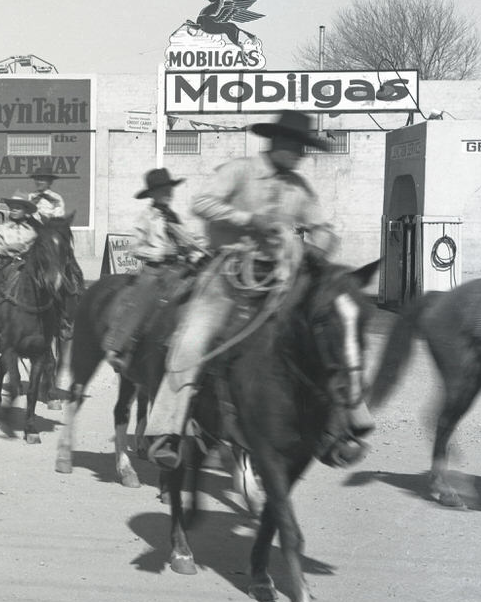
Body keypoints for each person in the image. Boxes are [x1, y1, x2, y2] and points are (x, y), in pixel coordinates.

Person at [143, 111, 337, 469]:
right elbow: (200, 203)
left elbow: (323, 227)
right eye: (295, 147)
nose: (300, 155)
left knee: (328, 333)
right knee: (190, 341)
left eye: (303, 149)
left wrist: (319, 246)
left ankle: (339, 429)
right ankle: (166, 432)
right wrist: (247, 219)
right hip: (227, 275)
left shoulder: (300, 188)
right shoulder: (239, 170)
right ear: (276, 142)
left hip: (279, 277)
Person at [101, 168, 207, 372]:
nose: (167, 193)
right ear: (152, 194)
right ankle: (118, 348)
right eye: (162, 190)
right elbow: (135, 248)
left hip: (180, 267)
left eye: (169, 189)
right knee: (142, 299)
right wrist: (158, 252)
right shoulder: (146, 218)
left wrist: (201, 250)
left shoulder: (176, 217)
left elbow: (191, 239)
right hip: (155, 270)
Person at [0, 197, 39, 265]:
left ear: (26, 211)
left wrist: (25, 249)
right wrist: (7, 248)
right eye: (12, 208)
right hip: (5, 266)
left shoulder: (32, 231)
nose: (14, 210)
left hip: (28, 266)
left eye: (18, 208)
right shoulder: (3, 229)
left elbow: (38, 250)